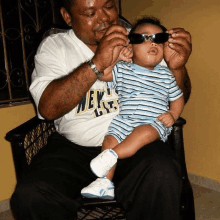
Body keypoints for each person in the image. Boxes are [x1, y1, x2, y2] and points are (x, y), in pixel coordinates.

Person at [10, 0, 192, 219]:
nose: (104, 18)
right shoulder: (55, 47)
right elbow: (48, 110)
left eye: (108, 7)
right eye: (90, 12)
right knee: (32, 194)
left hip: (136, 140)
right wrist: (97, 63)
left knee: (160, 172)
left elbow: (177, 94)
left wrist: (177, 67)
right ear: (67, 17)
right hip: (74, 147)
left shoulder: (140, 37)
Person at [81, 16, 185, 200]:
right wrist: (115, 58)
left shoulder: (166, 75)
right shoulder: (122, 69)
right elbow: (102, 74)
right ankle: (105, 182)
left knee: (142, 132)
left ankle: (112, 156)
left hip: (154, 122)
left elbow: (178, 98)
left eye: (158, 40)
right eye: (143, 38)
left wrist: (173, 114)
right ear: (130, 46)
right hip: (124, 121)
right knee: (109, 140)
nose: (152, 43)